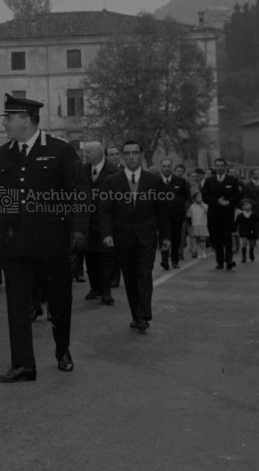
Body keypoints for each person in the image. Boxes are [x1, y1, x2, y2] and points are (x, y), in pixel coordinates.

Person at [0, 94, 88, 382]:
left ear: (26, 119)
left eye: (8, 118)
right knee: (17, 304)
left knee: (59, 300)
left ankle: (62, 350)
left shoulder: (60, 151)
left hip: (52, 241)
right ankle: (23, 364)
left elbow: (78, 191)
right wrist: (1, 234)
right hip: (16, 243)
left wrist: (78, 229)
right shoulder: (1, 154)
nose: (5, 123)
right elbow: (2, 199)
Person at [99, 140, 170, 333]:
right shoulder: (111, 181)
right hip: (123, 238)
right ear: (122, 156)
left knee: (144, 274)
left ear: (141, 155)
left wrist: (166, 237)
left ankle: (144, 314)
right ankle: (136, 315)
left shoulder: (154, 180)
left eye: (135, 153)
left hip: (147, 237)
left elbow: (162, 211)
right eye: (127, 153)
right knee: (130, 278)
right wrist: (107, 233)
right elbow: (105, 211)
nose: (131, 157)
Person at [81, 141, 118, 306]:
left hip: (106, 221)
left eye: (88, 152)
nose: (85, 154)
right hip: (88, 221)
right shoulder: (83, 170)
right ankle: (94, 288)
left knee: (106, 257)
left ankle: (106, 291)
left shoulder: (113, 171)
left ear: (98, 153)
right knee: (90, 256)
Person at [201, 158, 242, 270]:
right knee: (216, 239)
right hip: (214, 214)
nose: (219, 167)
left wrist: (229, 202)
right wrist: (217, 201)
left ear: (225, 167)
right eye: (217, 165)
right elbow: (205, 197)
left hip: (227, 214)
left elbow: (237, 195)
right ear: (215, 167)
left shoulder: (232, 180)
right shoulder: (209, 181)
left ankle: (229, 260)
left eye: (221, 165)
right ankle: (219, 261)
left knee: (227, 237)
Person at [159, 157, 190, 271]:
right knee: (163, 237)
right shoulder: (156, 181)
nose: (166, 168)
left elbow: (185, 196)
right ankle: (164, 259)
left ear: (172, 167)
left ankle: (175, 260)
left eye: (168, 166)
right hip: (162, 216)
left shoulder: (180, 181)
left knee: (176, 238)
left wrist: (177, 204)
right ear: (160, 168)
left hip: (176, 215)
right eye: (164, 166)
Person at [189, 191, 208, 258]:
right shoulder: (192, 206)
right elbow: (190, 214)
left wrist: (202, 203)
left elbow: (207, 210)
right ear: (194, 199)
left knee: (203, 239)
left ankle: (203, 251)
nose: (200, 198)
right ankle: (199, 252)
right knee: (197, 239)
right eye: (198, 197)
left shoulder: (204, 205)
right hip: (195, 224)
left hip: (202, 224)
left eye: (200, 197)